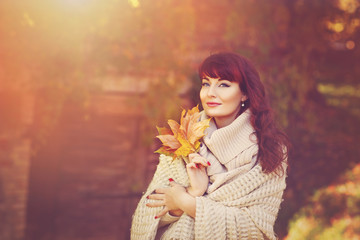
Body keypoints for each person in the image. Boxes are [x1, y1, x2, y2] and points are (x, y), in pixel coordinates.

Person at [131, 52, 290, 240]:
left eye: (223, 84)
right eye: (206, 83)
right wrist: (194, 191)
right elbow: (149, 213)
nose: (210, 93)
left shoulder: (270, 150)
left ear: (244, 93)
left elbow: (253, 229)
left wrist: (185, 201)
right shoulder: (184, 138)